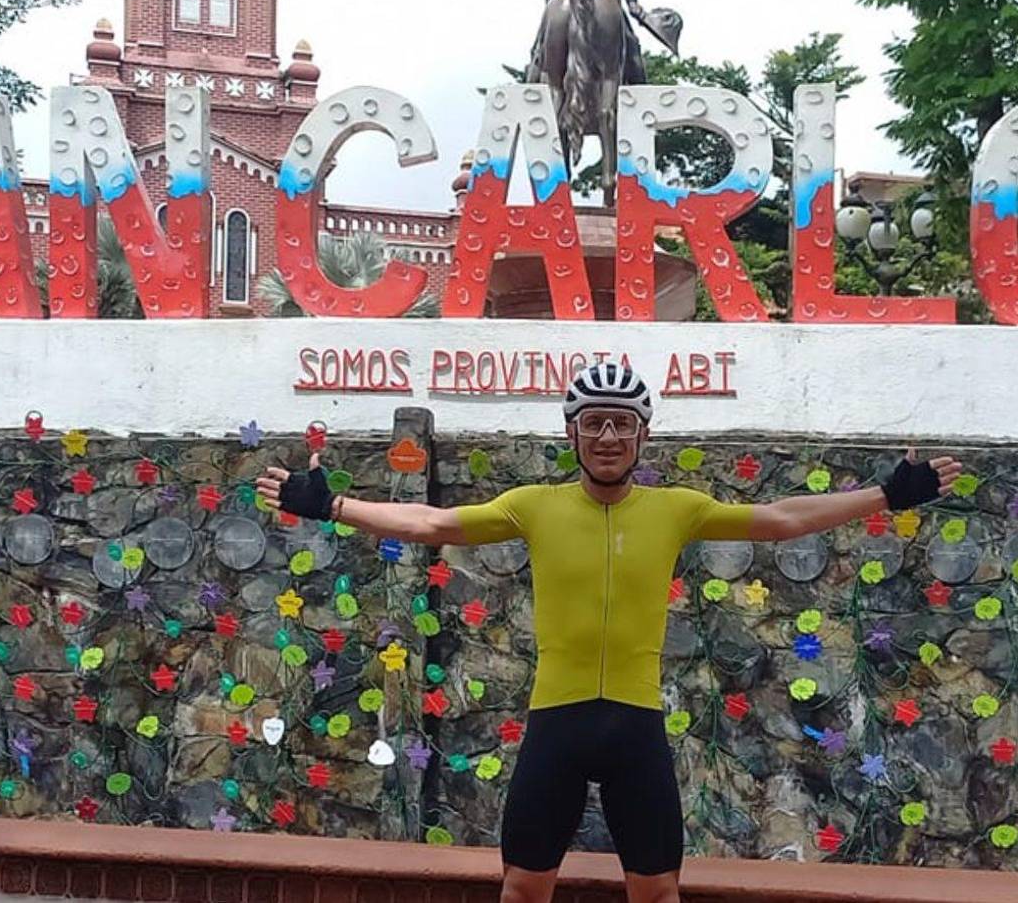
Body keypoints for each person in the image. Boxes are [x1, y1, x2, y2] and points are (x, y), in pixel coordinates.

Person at [255, 363, 961, 903]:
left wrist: (888, 494)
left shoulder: (676, 508)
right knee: (523, 889)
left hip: (635, 728)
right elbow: (435, 526)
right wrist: (333, 505)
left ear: (642, 434)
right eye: (593, 422)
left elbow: (781, 518)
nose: (608, 436)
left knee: (656, 892)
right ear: (572, 433)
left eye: (622, 423)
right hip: (556, 724)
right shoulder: (533, 505)